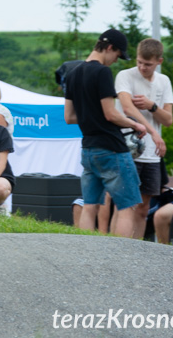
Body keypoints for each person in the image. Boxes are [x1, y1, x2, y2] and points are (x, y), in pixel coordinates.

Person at [63, 28, 146, 237]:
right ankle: (120, 258)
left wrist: (90, 115)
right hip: (111, 149)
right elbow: (110, 114)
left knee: (90, 205)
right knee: (127, 206)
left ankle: (86, 254)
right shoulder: (102, 72)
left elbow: (69, 117)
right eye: (117, 56)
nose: (115, 61)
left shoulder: (73, 74)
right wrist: (135, 124)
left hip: (88, 150)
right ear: (110, 48)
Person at [113, 38, 173, 239]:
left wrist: (152, 106)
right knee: (124, 204)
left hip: (151, 154)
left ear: (159, 62)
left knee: (142, 206)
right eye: (139, 62)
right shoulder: (125, 76)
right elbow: (127, 107)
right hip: (128, 147)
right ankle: (116, 247)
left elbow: (168, 119)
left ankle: (137, 250)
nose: (142, 67)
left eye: (147, 64)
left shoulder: (164, 81)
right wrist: (154, 133)